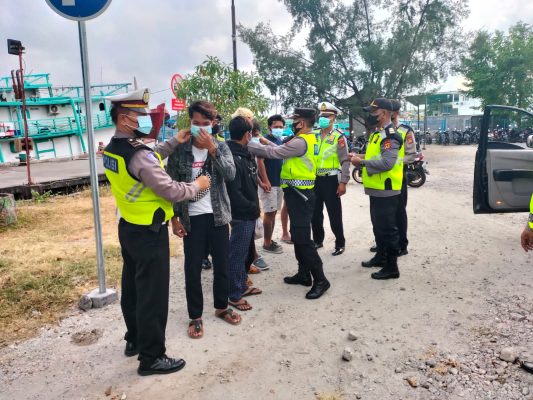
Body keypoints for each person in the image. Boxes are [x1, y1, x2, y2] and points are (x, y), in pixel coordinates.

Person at [103, 89, 210, 375]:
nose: (146, 119)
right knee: (152, 295)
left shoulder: (114, 148)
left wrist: (173, 142)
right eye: (140, 115)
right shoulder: (137, 153)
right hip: (150, 232)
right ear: (124, 119)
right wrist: (197, 186)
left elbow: (148, 159)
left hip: (129, 226)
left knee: (133, 288)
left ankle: (135, 339)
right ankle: (152, 358)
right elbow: (170, 189)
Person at [167, 100, 241, 339]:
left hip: (218, 217)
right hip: (191, 219)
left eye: (205, 123)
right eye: (196, 123)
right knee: (192, 269)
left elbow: (231, 174)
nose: (200, 128)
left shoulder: (221, 146)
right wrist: (174, 218)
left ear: (213, 123)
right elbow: (170, 185)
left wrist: (212, 149)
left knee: (222, 265)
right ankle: (195, 316)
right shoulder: (180, 149)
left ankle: (221, 307)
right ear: (190, 122)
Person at [248, 108, 330, 299]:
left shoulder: (301, 141)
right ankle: (303, 274)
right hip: (298, 194)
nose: (292, 124)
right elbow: (281, 147)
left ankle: (320, 279)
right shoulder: (308, 138)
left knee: (303, 239)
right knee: (298, 234)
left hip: (301, 195)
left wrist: (248, 145)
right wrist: (264, 141)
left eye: (295, 121)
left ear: (302, 123)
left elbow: (276, 152)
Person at [350, 98, 404, 280]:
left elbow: (387, 163)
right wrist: (358, 156)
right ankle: (381, 257)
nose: (371, 116)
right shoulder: (378, 134)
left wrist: (361, 163)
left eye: (374, 112)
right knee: (378, 226)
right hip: (376, 188)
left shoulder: (390, 136)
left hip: (386, 189)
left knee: (388, 229)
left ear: (385, 113)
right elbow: (374, 155)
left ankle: (392, 267)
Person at [369, 99, 417, 256]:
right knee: (381, 216)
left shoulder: (404, 131)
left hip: (397, 176)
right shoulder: (379, 131)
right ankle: (382, 245)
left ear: (394, 113)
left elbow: (411, 155)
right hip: (380, 178)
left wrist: (394, 160)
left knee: (398, 213)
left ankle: (401, 245)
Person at [225, 116, 263, 311]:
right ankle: (233, 294)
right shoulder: (233, 156)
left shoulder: (243, 153)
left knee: (244, 252)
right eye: (252, 134)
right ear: (247, 134)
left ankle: (241, 285)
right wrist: (251, 207)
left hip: (247, 211)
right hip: (242, 213)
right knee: (237, 254)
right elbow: (234, 192)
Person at [312, 101, 350, 256]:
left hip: (331, 180)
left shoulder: (338, 136)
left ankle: (340, 243)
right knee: (315, 213)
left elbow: (345, 160)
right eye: (322, 115)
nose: (324, 118)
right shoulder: (313, 134)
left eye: (327, 116)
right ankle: (317, 240)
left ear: (334, 118)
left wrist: (343, 182)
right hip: (314, 180)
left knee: (334, 214)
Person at [257, 114, 286, 254]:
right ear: (269, 127)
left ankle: (269, 240)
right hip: (269, 184)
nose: (279, 129)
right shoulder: (264, 141)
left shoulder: (280, 140)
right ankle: (267, 243)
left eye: (281, 127)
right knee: (269, 214)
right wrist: (265, 180)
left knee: (273, 213)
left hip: (278, 183)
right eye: (276, 126)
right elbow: (260, 161)